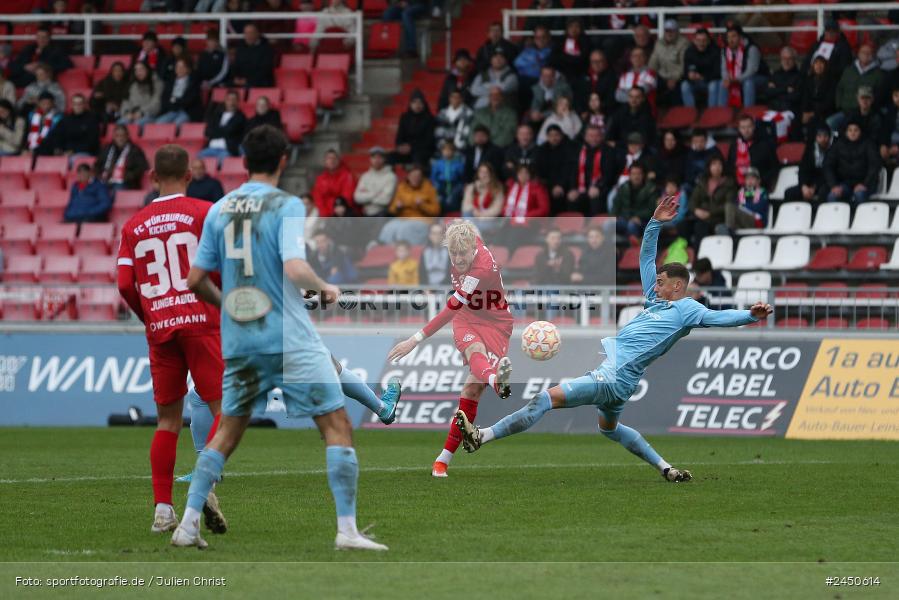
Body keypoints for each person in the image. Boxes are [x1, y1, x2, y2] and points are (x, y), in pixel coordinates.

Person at [174, 125, 390, 551]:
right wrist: (325, 287)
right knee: (336, 424)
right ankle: (347, 531)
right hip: (290, 338)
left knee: (226, 433)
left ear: (244, 161)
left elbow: (195, 279)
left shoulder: (219, 210)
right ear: (283, 161)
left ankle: (187, 525)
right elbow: (294, 267)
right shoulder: (285, 204)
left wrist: (229, 305)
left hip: (241, 340)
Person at [455, 196, 774, 482]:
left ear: (677, 286)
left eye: (661, 282)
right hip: (623, 380)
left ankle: (482, 436)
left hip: (613, 375)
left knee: (544, 400)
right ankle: (666, 468)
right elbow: (646, 258)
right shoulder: (656, 300)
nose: (655, 285)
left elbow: (718, 317)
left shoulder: (687, 309)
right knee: (609, 428)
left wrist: (750, 315)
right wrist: (654, 223)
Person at [116, 144, 224, 539]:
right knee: (225, 410)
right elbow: (221, 267)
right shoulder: (205, 212)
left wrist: (148, 314)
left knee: (167, 421)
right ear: (190, 175)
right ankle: (203, 485)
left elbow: (124, 283)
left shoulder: (134, 225)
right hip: (201, 321)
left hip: (160, 325)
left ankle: (163, 510)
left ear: (152, 178)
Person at [387, 220, 514, 477]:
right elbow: (457, 226)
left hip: (496, 322)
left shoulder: (481, 269)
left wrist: (414, 340)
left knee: (472, 389)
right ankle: (496, 382)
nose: (457, 259)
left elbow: (450, 309)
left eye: (462, 253)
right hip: (467, 317)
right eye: (452, 253)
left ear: (473, 248)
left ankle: (443, 459)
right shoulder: (464, 238)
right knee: (474, 350)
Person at [823, 120, 880, 205]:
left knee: (859, 195)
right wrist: (834, 185)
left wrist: (865, 184)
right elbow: (828, 165)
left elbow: (874, 166)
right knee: (832, 196)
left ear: (860, 132)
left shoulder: (868, 144)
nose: (853, 133)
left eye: (856, 130)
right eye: (850, 130)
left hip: (865, 184)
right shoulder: (838, 145)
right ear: (846, 132)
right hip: (844, 184)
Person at [381, 165, 440, 245]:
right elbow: (392, 209)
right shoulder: (401, 187)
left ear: (421, 177)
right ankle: (384, 248)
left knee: (404, 229)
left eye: (418, 176)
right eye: (413, 176)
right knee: (388, 227)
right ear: (408, 176)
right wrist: (397, 207)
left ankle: (404, 250)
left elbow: (436, 211)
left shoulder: (429, 188)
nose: (415, 178)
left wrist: (422, 205)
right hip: (403, 219)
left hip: (423, 220)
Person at [684, 156, 735, 247]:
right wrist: (696, 210)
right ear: (709, 167)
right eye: (714, 164)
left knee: (700, 226)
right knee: (683, 225)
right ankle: (686, 251)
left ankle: (699, 253)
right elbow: (692, 201)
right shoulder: (702, 182)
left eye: (719, 164)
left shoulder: (729, 183)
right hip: (700, 216)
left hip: (718, 218)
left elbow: (728, 205)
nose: (717, 167)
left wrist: (710, 213)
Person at [831, 44, 883, 131]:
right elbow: (840, 88)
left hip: (865, 114)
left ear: (873, 55)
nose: (866, 55)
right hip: (845, 111)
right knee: (830, 123)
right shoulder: (849, 70)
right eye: (863, 52)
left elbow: (879, 95)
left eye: (869, 53)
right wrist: (839, 105)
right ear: (858, 54)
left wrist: (867, 109)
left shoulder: (878, 74)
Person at [566, 124, 613, 215]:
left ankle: (595, 224)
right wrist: (573, 188)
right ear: (585, 137)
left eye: (597, 136)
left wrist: (598, 187)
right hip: (582, 187)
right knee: (572, 198)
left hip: (602, 187)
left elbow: (609, 175)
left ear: (602, 137)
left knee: (595, 198)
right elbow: (574, 172)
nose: (594, 139)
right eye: (591, 136)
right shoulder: (579, 150)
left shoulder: (608, 151)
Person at [720, 24, 767, 108]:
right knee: (722, 83)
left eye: (734, 36)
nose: (731, 40)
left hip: (758, 77)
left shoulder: (751, 48)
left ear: (740, 37)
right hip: (734, 79)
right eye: (728, 37)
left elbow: (752, 70)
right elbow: (724, 68)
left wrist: (737, 79)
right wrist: (727, 79)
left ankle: (748, 111)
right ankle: (722, 113)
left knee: (748, 83)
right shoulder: (725, 50)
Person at [726, 115, 776, 189]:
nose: (746, 130)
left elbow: (774, 167)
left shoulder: (765, 145)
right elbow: (730, 167)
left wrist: (760, 181)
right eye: (743, 127)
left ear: (753, 127)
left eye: (749, 127)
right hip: (737, 187)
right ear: (739, 129)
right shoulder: (734, 146)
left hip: (760, 186)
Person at [786, 124, 832, 203]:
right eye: (819, 136)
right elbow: (802, 170)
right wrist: (804, 186)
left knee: (823, 192)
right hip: (808, 185)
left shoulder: (833, 151)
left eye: (825, 136)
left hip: (824, 184)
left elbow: (829, 174)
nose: (823, 139)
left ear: (829, 137)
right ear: (816, 137)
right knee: (789, 193)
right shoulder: (810, 150)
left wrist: (814, 188)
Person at [45, 93, 100, 159]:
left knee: (71, 160)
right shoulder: (65, 119)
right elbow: (56, 135)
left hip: (84, 152)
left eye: (80, 104)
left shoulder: (92, 120)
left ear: (84, 105)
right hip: (65, 152)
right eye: (75, 104)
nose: (77, 106)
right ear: (72, 105)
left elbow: (92, 142)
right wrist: (57, 148)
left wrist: (73, 151)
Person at [96, 125, 149, 191]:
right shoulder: (107, 149)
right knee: (96, 188)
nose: (120, 138)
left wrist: (126, 177)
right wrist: (100, 176)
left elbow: (141, 168)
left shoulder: (135, 150)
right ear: (113, 137)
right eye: (117, 136)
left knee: (116, 189)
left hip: (126, 183)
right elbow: (97, 166)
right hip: (106, 181)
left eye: (122, 136)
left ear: (127, 136)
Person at [649, 19, 689, 107]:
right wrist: (649, 74)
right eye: (667, 30)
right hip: (662, 76)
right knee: (649, 84)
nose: (669, 33)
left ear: (677, 31)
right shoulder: (659, 43)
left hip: (678, 77)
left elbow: (683, 66)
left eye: (672, 31)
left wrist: (674, 79)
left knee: (676, 89)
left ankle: (677, 112)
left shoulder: (684, 43)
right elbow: (653, 62)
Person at [393, 90, 436, 168]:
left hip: (422, 150)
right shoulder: (404, 117)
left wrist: (411, 147)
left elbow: (429, 141)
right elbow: (399, 136)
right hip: (406, 150)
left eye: (420, 102)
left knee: (418, 158)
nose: (417, 105)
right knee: (389, 157)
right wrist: (400, 146)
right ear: (410, 104)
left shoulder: (429, 119)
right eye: (414, 102)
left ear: (424, 104)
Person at [681, 28, 723, 109]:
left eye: (704, 40)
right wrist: (689, 76)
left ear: (708, 41)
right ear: (694, 41)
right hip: (695, 82)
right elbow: (685, 72)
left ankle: (712, 112)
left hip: (710, 81)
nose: (701, 43)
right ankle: (690, 112)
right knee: (684, 85)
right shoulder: (689, 51)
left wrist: (702, 77)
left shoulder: (715, 51)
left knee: (713, 86)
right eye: (698, 40)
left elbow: (718, 73)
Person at [535, 124, 574, 211]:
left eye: (556, 135)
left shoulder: (569, 149)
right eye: (551, 135)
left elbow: (569, 170)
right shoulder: (542, 150)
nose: (554, 138)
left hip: (564, 185)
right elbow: (539, 171)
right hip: (547, 185)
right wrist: (551, 186)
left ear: (561, 136)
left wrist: (560, 185)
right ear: (547, 137)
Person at [613, 163, 656, 238]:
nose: (636, 176)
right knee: (609, 224)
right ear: (629, 175)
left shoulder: (650, 189)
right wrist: (614, 216)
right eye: (633, 174)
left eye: (639, 174)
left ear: (643, 175)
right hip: (625, 218)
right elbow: (616, 205)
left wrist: (638, 216)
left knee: (632, 225)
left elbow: (652, 209)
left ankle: (635, 244)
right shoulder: (623, 187)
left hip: (642, 221)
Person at [799, 55, 837, 139]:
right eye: (816, 63)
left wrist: (813, 113)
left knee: (814, 123)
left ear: (825, 65)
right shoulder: (809, 80)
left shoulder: (831, 81)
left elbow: (829, 102)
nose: (818, 66)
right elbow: (805, 98)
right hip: (811, 111)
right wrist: (805, 112)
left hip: (825, 112)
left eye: (821, 63)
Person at [354, 146, 397, 217]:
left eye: (379, 157)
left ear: (384, 159)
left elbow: (386, 200)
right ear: (370, 159)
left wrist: (366, 196)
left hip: (383, 214)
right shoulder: (365, 176)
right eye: (374, 157)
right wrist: (376, 194)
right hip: (366, 214)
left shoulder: (391, 176)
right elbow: (357, 197)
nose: (376, 160)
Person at [312, 149, 356, 217]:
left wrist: (334, 213)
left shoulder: (346, 176)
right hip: (325, 213)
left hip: (341, 212)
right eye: (329, 158)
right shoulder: (320, 178)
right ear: (325, 161)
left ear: (338, 161)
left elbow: (347, 198)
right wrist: (324, 214)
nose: (332, 161)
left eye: (334, 158)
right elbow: (318, 198)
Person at [574, 50, 617, 116]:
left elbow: (611, 99)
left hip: (605, 113)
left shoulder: (611, 77)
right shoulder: (583, 76)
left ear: (604, 62)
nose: (597, 64)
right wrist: (582, 111)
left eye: (599, 61)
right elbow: (578, 97)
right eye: (594, 61)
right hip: (585, 113)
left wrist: (599, 108)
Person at [725, 166, 768, 231]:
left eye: (752, 178)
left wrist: (742, 206)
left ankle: (729, 230)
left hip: (756, 222)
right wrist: (741, 206)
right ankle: (729, 230)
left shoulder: (762, 192)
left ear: (758, 181)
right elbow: (737, 206)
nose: (749, 181)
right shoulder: (741, 192)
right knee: (720, 227)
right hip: (743, 221)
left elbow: (758, 207)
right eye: (747, 178)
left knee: (729, 206)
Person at [120, 61, 163, 126]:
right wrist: (127, 112)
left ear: (147, 70)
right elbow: (126, 101)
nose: (138, 72)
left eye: (141, 69)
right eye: (136, 70)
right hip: (133, 114)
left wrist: (142, 112)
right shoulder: (132, 85)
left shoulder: (157, 84)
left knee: (136, 124)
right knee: (120, 124)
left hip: (150, 115)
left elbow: (156, 104)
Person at [550, 18, 589, 83]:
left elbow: (583, 58)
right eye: (571, 26)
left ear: (581, 29)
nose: (574, 29)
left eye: (577, 26)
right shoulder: (560, 40)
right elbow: (555, 57)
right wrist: (572, 58)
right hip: (562, 73)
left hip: (579, 73)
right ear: (567, 28)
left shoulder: (586, 41)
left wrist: (565, 57)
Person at [23, 92, 62, 157]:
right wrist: (25, 148)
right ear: (38, 103)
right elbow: (27, 132)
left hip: (49, 149)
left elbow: (57, 136)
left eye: (48, 103)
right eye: (43, 103)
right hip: (32, 147)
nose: (46, 106)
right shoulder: (32, 115)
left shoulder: (58, 117)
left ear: (53, 104)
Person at [431, 141, 465, 213]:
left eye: (450, 150)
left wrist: (460, 187)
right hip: (441, 185)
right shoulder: (437, 163)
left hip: (454, 185)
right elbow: (433, 177)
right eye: (445, 150)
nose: (447, 152)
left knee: (453, 202)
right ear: (442, 151)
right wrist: (435, 186)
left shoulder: (458, 164)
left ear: (454, 152)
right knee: (440, 202)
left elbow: (462, 177)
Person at [767, 47, 802, 115]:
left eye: (789, 58)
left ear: (794, 60)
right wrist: (785, 89)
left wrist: (776, 91)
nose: (786, 61)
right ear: (781, 59)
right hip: (773, 110)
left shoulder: (800, 76)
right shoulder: (775, 74)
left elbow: (795, 97)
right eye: (784, 58)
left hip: (790, 112)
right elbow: (767, 92)